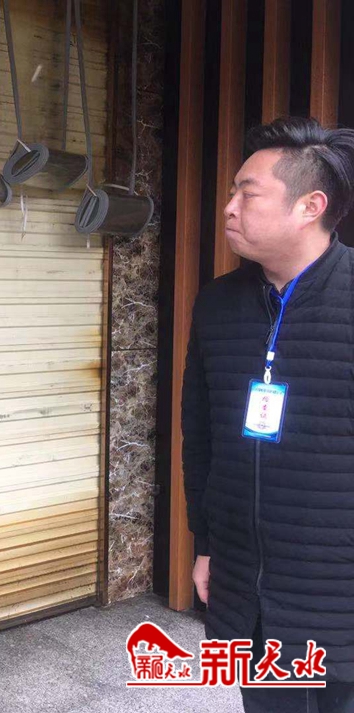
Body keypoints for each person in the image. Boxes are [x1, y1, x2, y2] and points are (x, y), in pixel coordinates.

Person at [183, 117, 354, 713]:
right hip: (247, 592)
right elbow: (201, 436)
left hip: (337, 596)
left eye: (247, 193)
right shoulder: (217, 303)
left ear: (310, 206)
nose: (229, 207)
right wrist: (206, 545)